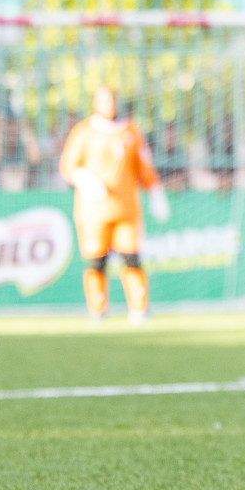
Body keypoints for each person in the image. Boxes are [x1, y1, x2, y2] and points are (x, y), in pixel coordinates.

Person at [58, 87, 170, 322]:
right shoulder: (84, 132)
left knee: (131, 257)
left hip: (126, 209)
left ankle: (139, 307)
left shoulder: (130, 131)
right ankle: (97, 308)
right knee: (97, 260)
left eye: (112, 99)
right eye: (103, 100)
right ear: (95, 103)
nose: (109, 104)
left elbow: (144, 167)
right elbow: (68, 166)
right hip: (93, 211)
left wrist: (156, 193)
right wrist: (83, 178)